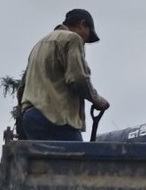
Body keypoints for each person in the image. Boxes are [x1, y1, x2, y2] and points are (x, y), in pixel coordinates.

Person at [15, 8, 110, 141]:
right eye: (87, 37)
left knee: (44, 155)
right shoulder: (72, 38)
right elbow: (78, 79)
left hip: (31, 118)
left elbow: (23, 86)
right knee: (77, 154)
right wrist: (97, 100)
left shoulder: (39, 45)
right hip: (56, 117)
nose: (84, 43)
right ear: (82, 24)